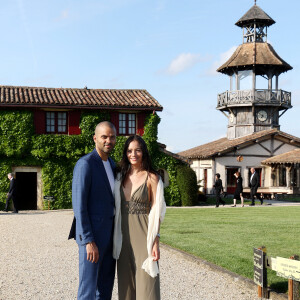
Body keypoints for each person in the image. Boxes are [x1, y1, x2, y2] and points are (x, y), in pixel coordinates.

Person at [113, 135, 166, 300]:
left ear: (143, 152)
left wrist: (156, 240)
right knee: (126, 286)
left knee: (147, 283)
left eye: (137, 150)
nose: (133, 154)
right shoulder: (119, 177)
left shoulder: (152, 178)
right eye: (129, 151)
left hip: (144, 236)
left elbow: (158, 211)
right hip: (121, 236)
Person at [71, 121, 116, 300]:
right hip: (92, 239)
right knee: (87, 290)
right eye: (104, 137)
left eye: (112, 137)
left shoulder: (112, 164)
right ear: (95, 138)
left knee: (105, 288)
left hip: (111, 237)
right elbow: (79, 206)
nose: (108, 140)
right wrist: (88, 240)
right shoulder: (85, 164)